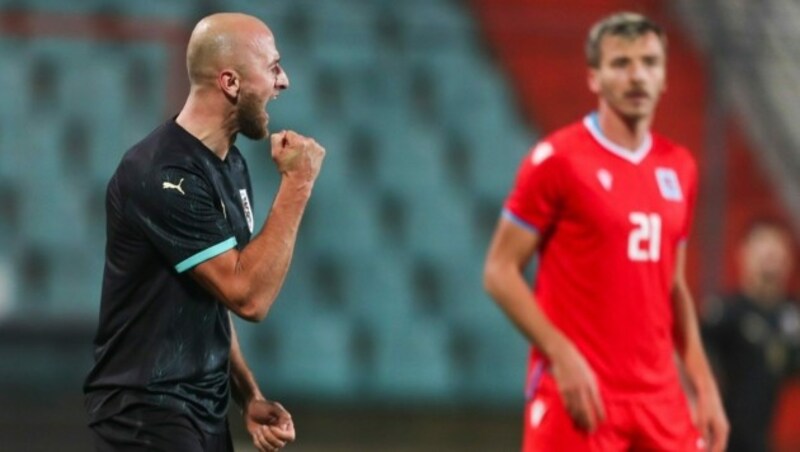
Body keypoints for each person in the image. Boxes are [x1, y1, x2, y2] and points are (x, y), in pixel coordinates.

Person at [483, 12, 728, 451]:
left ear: (665, 76)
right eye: (621, 63)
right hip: (582, 391)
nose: (637, 76)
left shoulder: (680, 167)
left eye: (650, 62)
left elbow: (673, 287)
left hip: (659, 398)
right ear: (594, 77)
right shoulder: (558, 160)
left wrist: (703, 385)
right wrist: (562, 354)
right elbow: (499, 271)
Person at [83, 12, 325, 452]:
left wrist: (247, 395)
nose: (284, 81)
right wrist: (299, 184)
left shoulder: (231, 165)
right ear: (231, 83)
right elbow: (247, 295)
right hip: (145, 415)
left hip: (201, 413)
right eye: (272, 67)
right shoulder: (161, 173)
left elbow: (211, 298)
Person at [703, 219, 800, 452]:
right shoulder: (723, 315)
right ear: (743, 255)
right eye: (763, 247)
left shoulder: (792, 316)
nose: (771, 256)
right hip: (724, 440)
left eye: (777, 249)